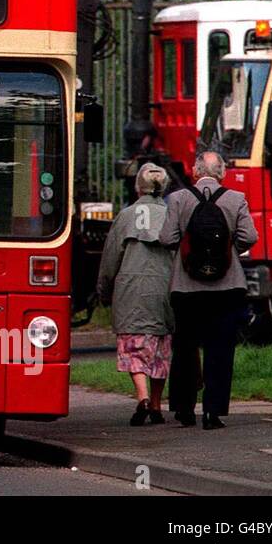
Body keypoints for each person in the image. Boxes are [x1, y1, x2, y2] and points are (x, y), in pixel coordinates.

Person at [159, 151, 258, 430]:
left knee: (186, 348)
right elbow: (249, 237)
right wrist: (229, 247)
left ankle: (184, 409)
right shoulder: (235, 199)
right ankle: (213, 412)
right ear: (222, 172)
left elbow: (167, 237)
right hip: (227, 287)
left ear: (194, 171)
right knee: (220, 349)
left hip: (187, 289)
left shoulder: (178, 199)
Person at [96, 163, 175, 426]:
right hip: (164, 287)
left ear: (138, 187)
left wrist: (104, 290)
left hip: (131, 289)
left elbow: (110, 258)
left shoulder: (126, 216)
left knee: (134, 346)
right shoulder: (172, 215)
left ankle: (141, 396)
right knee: (160, 346)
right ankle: (156, 403)